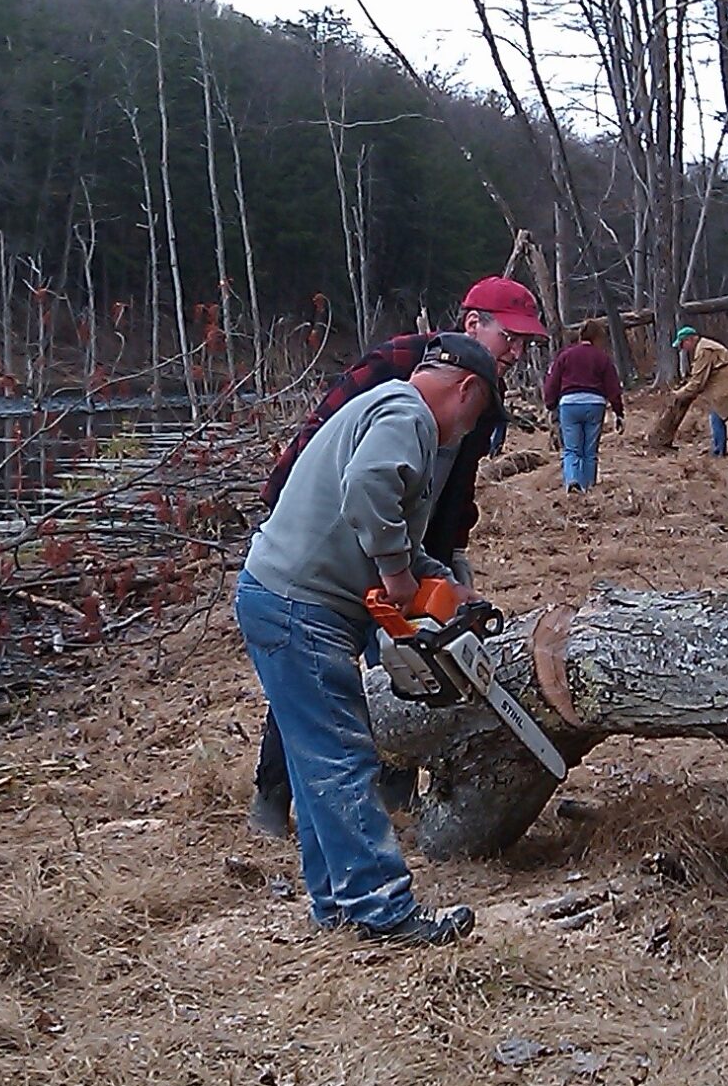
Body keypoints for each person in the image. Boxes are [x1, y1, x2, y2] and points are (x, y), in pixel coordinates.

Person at [247, 275, 549, 837]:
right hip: (335, 544)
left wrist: (451, 568)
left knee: (413, 663)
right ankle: (274, 791)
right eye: (511, 337)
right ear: (473, 324)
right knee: (319, 662)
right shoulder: (398, 367)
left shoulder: (483, 396)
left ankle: (395, 787)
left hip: (411, 540)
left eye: (526, 342)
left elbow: (458, 484)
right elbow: (324, 439)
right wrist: (287, 516)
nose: (517, 351)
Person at [235, 334, 501, 945]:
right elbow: (370, 489)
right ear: (466, 390)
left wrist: (441, 586)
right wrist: (398, 576)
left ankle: (339, 902)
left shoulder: (384, 407)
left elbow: (393, 528)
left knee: (315, 765)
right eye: (473, 418)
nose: (464, 436)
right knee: (343, 756)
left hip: (284, 597)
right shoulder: (407, 414)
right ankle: (382, 908)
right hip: (302, 606)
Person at [647, 325, 728, 458]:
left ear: (689, 340)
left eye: (682, 344)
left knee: (716, 417)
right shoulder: (705, 345)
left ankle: (717, 453)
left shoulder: (703, 350)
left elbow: (698, 382)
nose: (682, 349)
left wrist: (678, 394)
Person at [541, 317, 623, 491]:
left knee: (571, 449)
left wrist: (550, 404)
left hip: (569, 404)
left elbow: (552, 382)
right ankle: (589, 488)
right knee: (590, 452)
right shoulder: (603, 358)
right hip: (595, 404)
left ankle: (572, 481)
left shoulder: (565, 355)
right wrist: (619, 412)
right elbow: (613, 386)